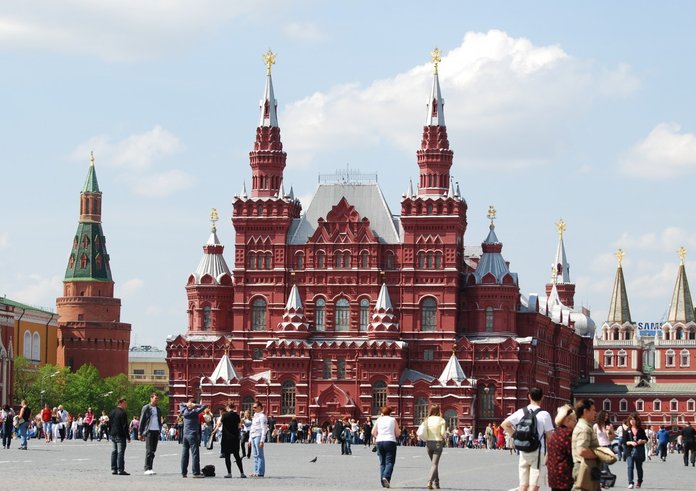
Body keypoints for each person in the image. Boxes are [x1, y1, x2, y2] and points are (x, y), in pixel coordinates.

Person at [501, 388, 554, 491]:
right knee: (534, 486)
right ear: (542, 398)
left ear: (529, 396)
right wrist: (549, 455)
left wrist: (516, 436)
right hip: (538, 452)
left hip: (523, 451)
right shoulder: (545, 415)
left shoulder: (521, 412)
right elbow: (550, 437)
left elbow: (505, 425)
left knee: (523, 485)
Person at [571, 399, 600, 491]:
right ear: (585, 411)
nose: (595, 413)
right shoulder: (584, 429)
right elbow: (581, 451)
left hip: (585, 467)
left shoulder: (584, 426)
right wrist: (599, 454)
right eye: (593, 410)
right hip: (584, 468)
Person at [213, 401, 246, 478]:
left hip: (226, 438)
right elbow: (239, 426)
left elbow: (219, 424)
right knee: (237, 456)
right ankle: (242, 473)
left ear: (227, 407)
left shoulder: (224, 415)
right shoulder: (236, 416)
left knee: (227, 456)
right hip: (235, 438)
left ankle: (229, 473)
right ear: (233, 407)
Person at [547, 404, 576, 491]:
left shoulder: (556, 432)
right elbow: (573, 453)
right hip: (564, 475)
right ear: (567, 420)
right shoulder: (568, 433)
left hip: (553, 474)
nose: (576, 423)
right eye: (574, 420)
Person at [372, 405, 401, 489]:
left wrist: (378, 437)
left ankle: (383, 482)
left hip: (379, 442)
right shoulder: (393, 420)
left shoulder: (378, 419)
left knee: (382, 463)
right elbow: (398, 433)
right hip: (390, 441)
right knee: (390, 462)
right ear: (390, 412)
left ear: (382, 412)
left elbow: (373, 432)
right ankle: (386, 476)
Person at [179, 398, 206, 478]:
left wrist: (187, 404)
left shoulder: (184, 411)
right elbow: (204, 406)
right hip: (193, 435)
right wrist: (195, 405)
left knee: (184, 454)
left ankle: (184, 472)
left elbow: (180, 403)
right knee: (195, 454)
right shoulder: (194, 412)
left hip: (185, 435)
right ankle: (196, 472)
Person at [421, 405, 446, 490]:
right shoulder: (441, 420)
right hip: (437, 443)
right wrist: (445, 436)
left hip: (428, 444)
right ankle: (429, 481)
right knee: (434, 464)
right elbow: (443, 433)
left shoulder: (426, 420)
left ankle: (437, 483)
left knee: (433, 465)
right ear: (438, 411)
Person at [139, 393, 163, 475]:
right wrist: (140, 433)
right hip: (149, 430)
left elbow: (159, 420)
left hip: (156, 430)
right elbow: (142, 420)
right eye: (155, 398)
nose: (156, 400)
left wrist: (159, 429)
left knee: (153, 451)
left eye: (157, 398)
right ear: (151, 398)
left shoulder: (158, 409)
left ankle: (151, 467)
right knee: (149, 450)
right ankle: (147, 468)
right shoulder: (146, 408)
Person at [621, 413, 647, 489]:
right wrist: (630, 442)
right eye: (631, 419)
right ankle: (630, 482)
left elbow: (646, 439)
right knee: (630, 466)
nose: (632, 421)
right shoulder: (627, 430)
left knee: (639, 467)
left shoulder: (641, 430)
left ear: (637, 420)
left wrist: (641, 441)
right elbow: (624, 441)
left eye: (634, 419)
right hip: (629, 450)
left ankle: (639, 481)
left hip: (639, 450)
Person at [109, 398, 130, 475]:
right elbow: (125, 426)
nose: (126, 405)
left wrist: (110, 432)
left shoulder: (112, 412)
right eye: (125, 403)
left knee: (114, 451)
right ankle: (120, 469)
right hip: (120, 435)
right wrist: (128, 436)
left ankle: (114, 469)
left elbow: (109, 424)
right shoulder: (123, 413)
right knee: (120, 452)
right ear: (120, 403)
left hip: (113, 434)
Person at [249, 400, 268, 477]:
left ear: (260, 407)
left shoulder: (262, 416)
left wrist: (262, 440)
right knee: (255, 455)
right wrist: (249, 439)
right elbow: (252, 428)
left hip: (258, 436)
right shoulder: (255, 416)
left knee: (260, 455)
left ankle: (260, 472)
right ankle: (256, 471)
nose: (254, 408)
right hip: (253, 436)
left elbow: (264, 429)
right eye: (253, 407)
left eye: (255, 407)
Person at [593, 410, 614, 475]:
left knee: (605, 463)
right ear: (601, 416)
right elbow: (594, 436)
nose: (606, 417)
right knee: (601, 464)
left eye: (607, 416)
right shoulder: (596, 426)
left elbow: (611, 438)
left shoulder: (609, 425)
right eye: (605, 416)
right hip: (599, 446)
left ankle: (609, 476)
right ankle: (605, 479)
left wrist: (609, 431)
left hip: (607, 445)